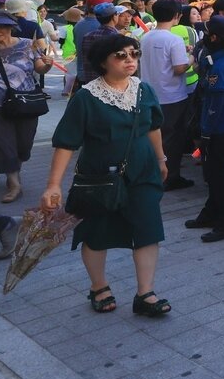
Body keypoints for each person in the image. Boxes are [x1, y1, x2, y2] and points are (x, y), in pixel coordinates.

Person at [40, 34, 171, 316]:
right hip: (98, 177)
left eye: (134, 54)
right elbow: (66, 143)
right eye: (121, 55)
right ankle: (99, 287)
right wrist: (53, 185)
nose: (130, 60)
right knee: (96, 232)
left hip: (143, 172)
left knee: (147, 229)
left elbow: (153, 127)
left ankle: (145, 293)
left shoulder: (144, 90)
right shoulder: (86, 97)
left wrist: (161, 158)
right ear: (103, 62)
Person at [184, 16, 224, 243]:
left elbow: (214, 105)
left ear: (213, 37)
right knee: (214, 174)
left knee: (220, 177)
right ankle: (211, 213)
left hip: (220, 128)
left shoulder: (219, 66)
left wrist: (205, 133)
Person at [0, 11, 53, 202]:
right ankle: (14, 183)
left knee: (24, 144)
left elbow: (39, 68)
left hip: (26, 101)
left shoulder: (27, 44)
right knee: (5, 145)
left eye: (2, 27)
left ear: (11, 28)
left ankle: (14, 169)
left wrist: (48, 65)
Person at [139, 0, 194, 191]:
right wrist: (191, 58)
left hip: (149, 94)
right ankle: (170, 177)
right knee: (172, 139)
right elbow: (179, 69)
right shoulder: (174, 39)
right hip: (172, 96)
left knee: (154, 136)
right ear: (177, 16)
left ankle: (154, 173)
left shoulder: (146, 37)